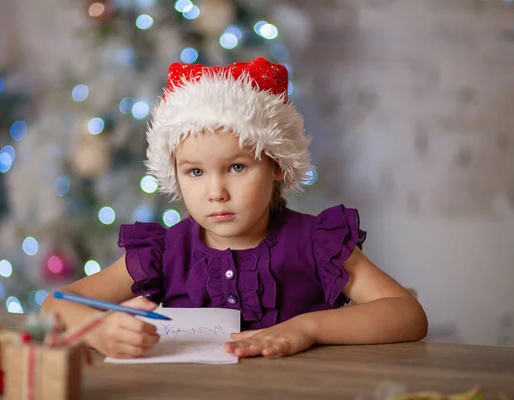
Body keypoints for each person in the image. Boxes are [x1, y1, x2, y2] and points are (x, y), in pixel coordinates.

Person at [41, 57, 428, 359]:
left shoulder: (316, 243)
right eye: (194, 171)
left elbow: (407, 315)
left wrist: (309, 328)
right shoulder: (164, 252)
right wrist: (98, 331)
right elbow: (54, 306)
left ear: (276, 165)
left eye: (237, 167)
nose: (216, 192)